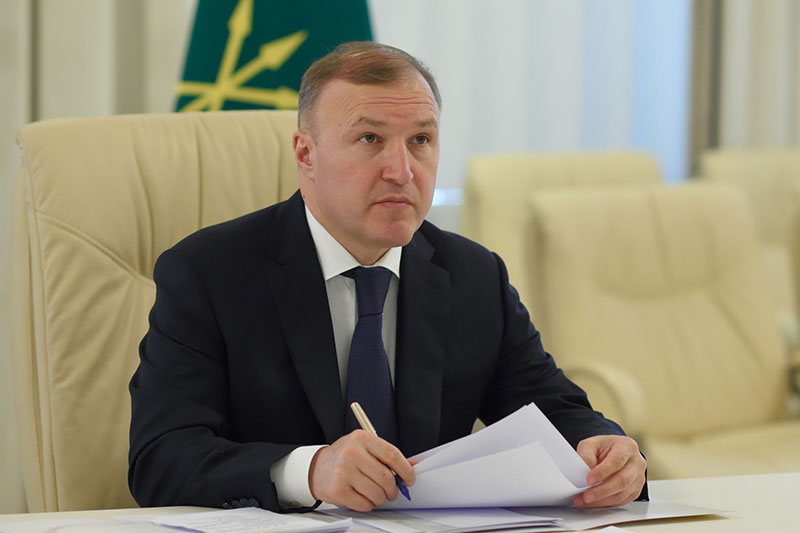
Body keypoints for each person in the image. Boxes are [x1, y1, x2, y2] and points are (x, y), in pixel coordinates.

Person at [128, 41, 647, 513]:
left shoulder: (473, 275)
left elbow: (553, 408)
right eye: (370, 138)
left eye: (420, 139)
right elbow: (161, 456)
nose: (402, 170)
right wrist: (311, 470)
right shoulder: (209, 272)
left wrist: (604, 449)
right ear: (306, 154)